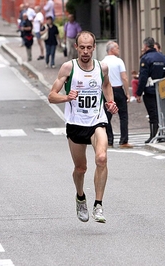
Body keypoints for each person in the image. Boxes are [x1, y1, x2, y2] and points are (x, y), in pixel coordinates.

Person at [48, 31, 118, 223]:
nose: (86, 51)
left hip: (97, 120)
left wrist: (110, 102)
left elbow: (106, 85)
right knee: (81, 168)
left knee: (102, 158)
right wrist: (66, 97)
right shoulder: (67, 68)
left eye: (89, 47)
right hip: (76, 123)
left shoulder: (102, 67)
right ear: (76, 47)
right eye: (82, 47)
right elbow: (51, 96)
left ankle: (98, 205)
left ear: (94, 47)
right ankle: (80, 197)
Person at [136, 37, 165, 143]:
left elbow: (143, 77)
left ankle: (153, 136)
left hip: (150, 90)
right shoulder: (164, 58)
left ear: (145, 46)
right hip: (164, 89)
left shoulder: (146, 58)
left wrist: (138, 92)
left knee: (153, 114)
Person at [102, 41, 133, 149]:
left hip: (106, 91)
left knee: (106, 117)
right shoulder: (119, 61)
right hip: (118, 89)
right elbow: (124, 77)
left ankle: (109, 140)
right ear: (112, 50)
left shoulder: (102, 62)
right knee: (123, 116)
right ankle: (123, 141)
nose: (119, 50)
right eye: (117, 48)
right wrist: (127, 93)